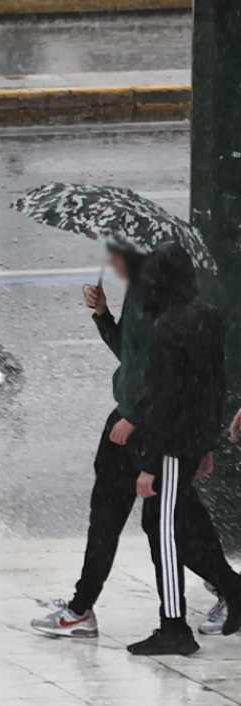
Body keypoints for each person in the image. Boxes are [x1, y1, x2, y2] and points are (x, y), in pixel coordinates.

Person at [31, 243, 227, 637]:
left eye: (114, 256)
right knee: (173, 518)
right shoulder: (146, 292)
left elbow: (158, 371)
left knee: (127, 519)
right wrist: (102, 314)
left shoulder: (148, 295)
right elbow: (129, 351)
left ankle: (83, 607)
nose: (109, 264)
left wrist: (133, 417)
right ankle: (84, 602)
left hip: (140, 426)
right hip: (146, 422)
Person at [125, 243, 241, 655]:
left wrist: (150, 465)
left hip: (171, 449)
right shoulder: (206, 316)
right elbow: (214, 385)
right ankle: (230, 589)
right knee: (165, 525)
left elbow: (164, 401)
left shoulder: (169, 327)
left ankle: (174, 626)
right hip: (191, 442)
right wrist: (205, 443)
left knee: (164, 532)